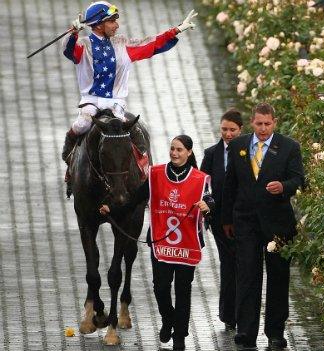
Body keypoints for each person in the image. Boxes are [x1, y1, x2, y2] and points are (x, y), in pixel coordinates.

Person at [100, 135, 213, 350]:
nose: (174, 153)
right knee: (160, 288)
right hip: (161, 244)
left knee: (183, 290)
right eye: (172, 149)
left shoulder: (199, 178)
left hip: (186, 245)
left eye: (179, 150)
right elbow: (134, 200)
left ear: (189, 153)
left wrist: (208, 206)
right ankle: (168, 318)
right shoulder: (156, 174)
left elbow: (210, 199)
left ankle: (179, 337)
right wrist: (112, 210)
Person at [60, 1, 198, 171]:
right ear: (98, 25)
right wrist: (72, 32)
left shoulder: (122, 44)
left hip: (116, 103)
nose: (116, 25)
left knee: (134, 131)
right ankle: (69, 154)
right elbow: (68, 50)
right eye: (112, 21)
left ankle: (143, 168)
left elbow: (151, 44)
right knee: (82, 124)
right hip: (91, 101)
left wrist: (175, 30)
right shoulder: (82, 45)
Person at [222, 103, 305, 348]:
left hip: (277, 223)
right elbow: (230, 185)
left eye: (267, 124)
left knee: (278, 278)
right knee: (247, 275)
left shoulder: (289, 147)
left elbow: (298, 179)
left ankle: (275, 333)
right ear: (252, 123)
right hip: (245, 222)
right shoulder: (238, 146)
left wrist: (283, 187)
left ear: (274, 123)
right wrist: (226, 219)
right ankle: (246, 331)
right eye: (259, 124)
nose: (263, 129)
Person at [199, 109, 243, 330]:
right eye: (224, 129)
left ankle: (238, 312)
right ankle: (229, 314)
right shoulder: (211, 154)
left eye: (232, 130)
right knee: (228, 262)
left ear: (240, 130)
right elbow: (203, 186)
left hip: (243, 219)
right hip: (219, 220)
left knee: (242, 264)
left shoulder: (248, 151)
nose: (227, 134)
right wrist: (209, 206)